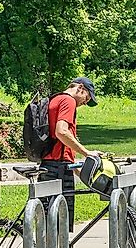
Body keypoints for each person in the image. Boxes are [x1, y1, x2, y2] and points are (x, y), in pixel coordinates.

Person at [41, 77, 100, 225]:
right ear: (80, 88)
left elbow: (60, 144)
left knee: (49, 220)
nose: (85, 102)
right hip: (58, 169)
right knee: (60, 223)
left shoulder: (55, 99)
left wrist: (77, 169)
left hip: (50, 165)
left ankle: (47, 247)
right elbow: (61, 132)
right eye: (87, 97)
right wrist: (87, 153)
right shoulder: (69, 101)